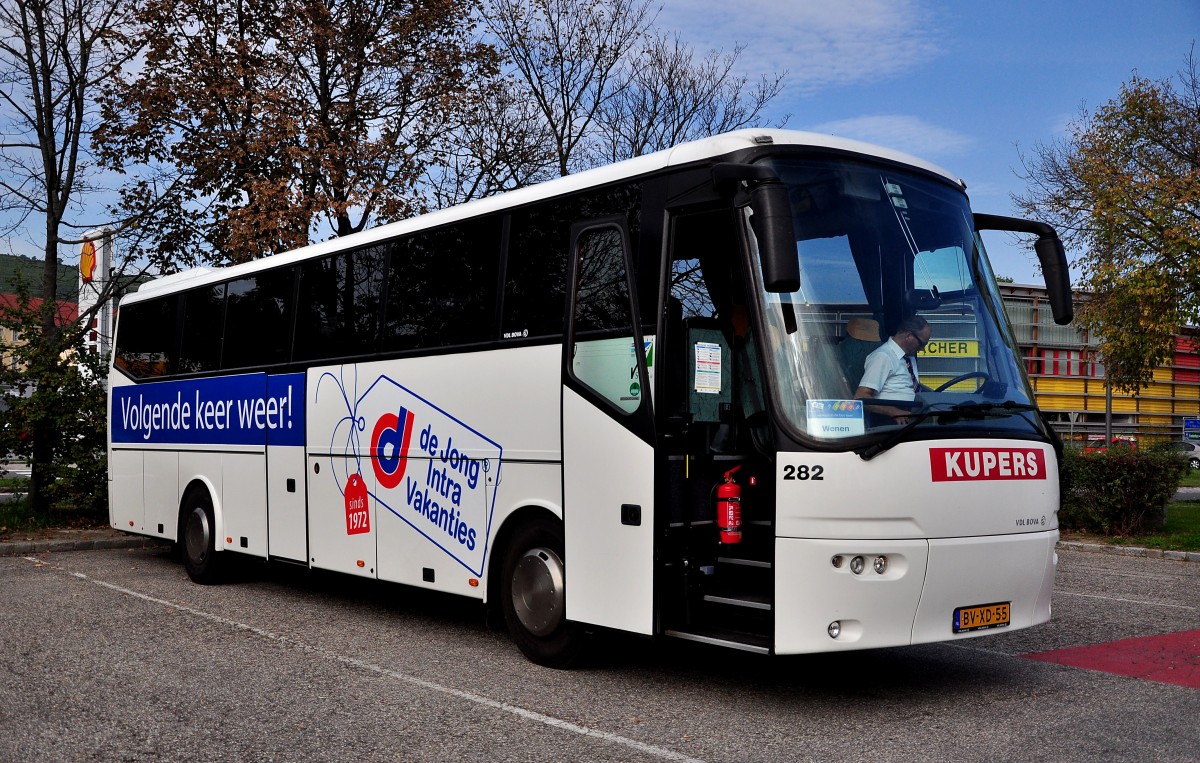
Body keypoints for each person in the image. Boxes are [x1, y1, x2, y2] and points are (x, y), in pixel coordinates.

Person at [854, 316, 931, 423]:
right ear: (908, 335)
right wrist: (893, 412)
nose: (923, 349)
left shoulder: (909, 358)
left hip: (913, 417)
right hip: (891, 422)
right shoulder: (883, 356)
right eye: (921, 344)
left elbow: (911, 387)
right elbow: (861, 397)